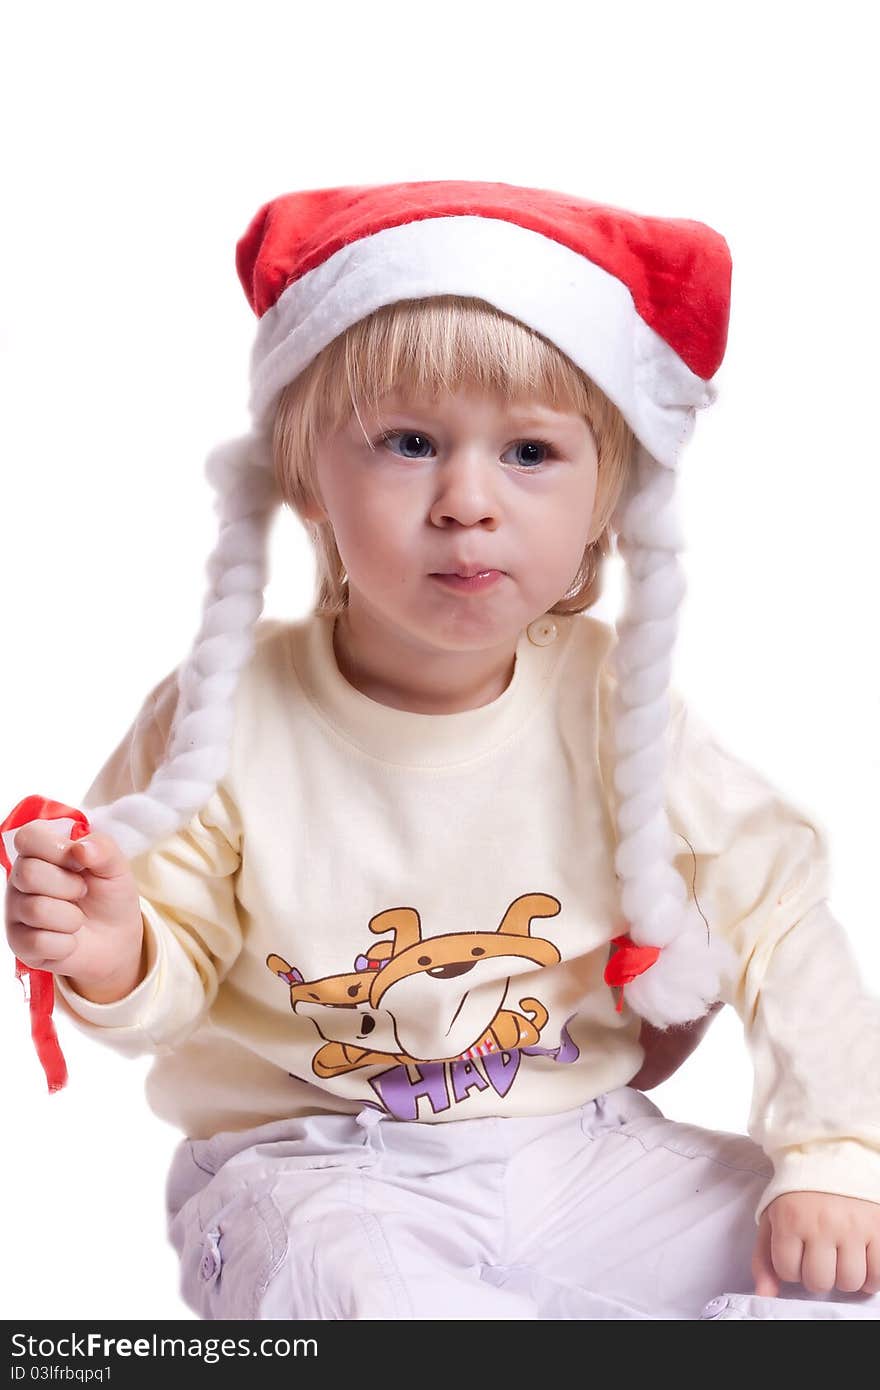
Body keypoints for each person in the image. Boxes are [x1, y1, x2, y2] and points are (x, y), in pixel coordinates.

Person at [4, 180, 880, 1321]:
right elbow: (161, 987)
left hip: (577, 1149)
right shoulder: (226, 714)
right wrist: (113, 946)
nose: (466, 501)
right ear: (310, 479)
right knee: (373, 1302)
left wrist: (832, 1158)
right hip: (315, 1168)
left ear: (605, 502)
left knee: (838, 1273)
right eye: (409, 442)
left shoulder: (615, 705)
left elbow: (778, 913)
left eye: (529, 452)